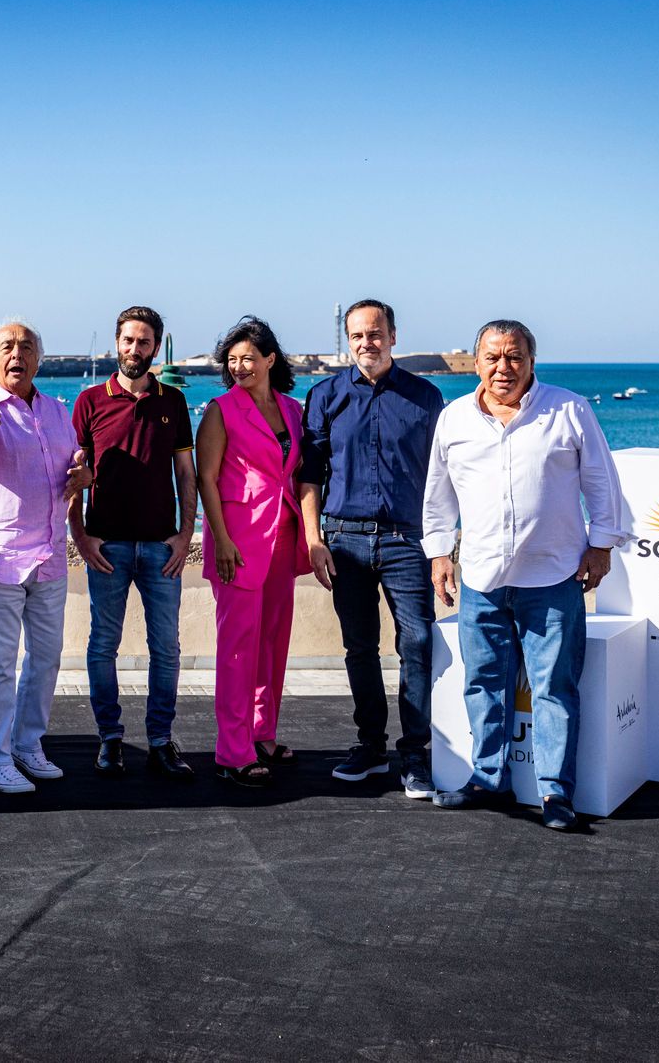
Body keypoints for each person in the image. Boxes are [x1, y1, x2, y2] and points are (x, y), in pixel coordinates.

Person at [421, 320, 630, 830]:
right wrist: (440, 553)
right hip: (482, 582)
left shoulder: (569, 410)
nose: (503, 368)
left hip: (553, 579)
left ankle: (556, 794)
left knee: (555, 688)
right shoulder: (454, 420)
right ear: (475, 363)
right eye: (492, 357)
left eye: (514, 357)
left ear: (532, 361)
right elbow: (438, 495)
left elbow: (601, 481)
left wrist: (601, 545)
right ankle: (487, 780)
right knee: (483, 683)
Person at [298, 299, 444, 797]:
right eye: (358, 335)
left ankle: (416, 755)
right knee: (359, 648)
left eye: (376, 333)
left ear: (393, 336)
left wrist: (444, 543)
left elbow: (444, 477)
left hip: (408, 540)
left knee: (418, 646)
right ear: (349, 339)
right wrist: (314, 539)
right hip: (345, 540)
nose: (367, 343)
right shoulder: (325, 396)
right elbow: (309, 474)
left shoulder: (426, 397)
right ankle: (370, 746)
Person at [0, 319, 93, 794]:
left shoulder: (56, 411)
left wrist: (82, 476)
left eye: (26, 347)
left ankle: (28, 745)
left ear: (38, 358)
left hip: (49, 555)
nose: (17, 354)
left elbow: (71, 468)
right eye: (7, 347)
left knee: (46, 658)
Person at [70, 306, 197, 781]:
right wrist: (79, 535)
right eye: (127, 340)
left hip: (162, 549)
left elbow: (186, 473)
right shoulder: (89, 402)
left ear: (156, 347)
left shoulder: (174, 402)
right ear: (116, 343)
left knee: (166, 648)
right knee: (103, 646)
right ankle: (110, 739)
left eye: (144, 342)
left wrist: (187, 534)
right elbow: (73, 477)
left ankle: (161, 741)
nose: (134, 350)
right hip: (107, 549)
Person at [196, 316, 310, 787]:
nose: (240, 366)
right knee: (238, 649)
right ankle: (232, 749)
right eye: (232, 360)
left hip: (284, 534)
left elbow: (299, 471)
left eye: (248, 358)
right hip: (237, 539)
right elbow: (206, 478)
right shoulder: (221, 410)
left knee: (272, 643)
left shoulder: (292, 409)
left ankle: (262, 732)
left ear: (270, 359)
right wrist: (220, 539)